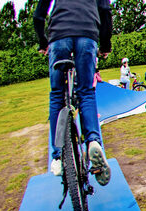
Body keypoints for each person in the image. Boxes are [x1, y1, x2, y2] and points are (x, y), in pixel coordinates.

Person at [35, 0, 112, 185]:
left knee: (57, 95)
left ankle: (58, 157)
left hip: (59, 36)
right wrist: (105, 45)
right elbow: (105, 12)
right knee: (86, 92)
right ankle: (93, 141)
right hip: (87, 35)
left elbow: (38, 15)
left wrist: (43, 42)